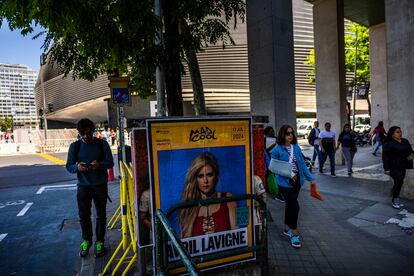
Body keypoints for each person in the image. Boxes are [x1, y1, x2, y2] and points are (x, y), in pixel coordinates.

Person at [66, 118, 114, 258]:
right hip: (83, 187)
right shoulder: (75, 146)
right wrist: (77, 167)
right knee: (84, 216)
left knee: (101, 214)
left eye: (89, 133)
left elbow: (110, 163)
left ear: (93, 131)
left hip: (100, 185)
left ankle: (100, 241)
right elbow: (69, 166)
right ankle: (87, 240)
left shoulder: (102, 144)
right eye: (83, 134)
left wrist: (99, 165)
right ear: (79, 133)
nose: (86, 136)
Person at [270, 125, 316, 248]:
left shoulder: (296, 148)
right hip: (284, 183)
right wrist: (290, 174)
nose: (290, 135)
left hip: (297, 183)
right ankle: (294, 233)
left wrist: (311, 179)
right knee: (295, 207)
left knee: (290, 205)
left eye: (291, 133)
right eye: (287, 133)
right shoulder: (277, 149)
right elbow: (273, 167)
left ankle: (286, 228)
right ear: (282, 135)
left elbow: (302, 165)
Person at [178, 152, 237, 238]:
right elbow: (185, 244)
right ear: (195, 179)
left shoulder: (227, 199)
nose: (205, 181)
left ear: (216, 176)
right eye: (200, 176)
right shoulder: (188, 207)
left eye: (209, 175)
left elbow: (237, 236)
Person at [382, 126, 414, 209]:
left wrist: (409, 159)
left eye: (400, 131)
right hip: (392, 166)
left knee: (399, 182)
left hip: (402, 166)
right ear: (392, 134)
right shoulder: (388, 143)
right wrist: (386, 169)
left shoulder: (405, 141)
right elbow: (385, 157)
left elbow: (411, 152)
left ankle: (395, 194)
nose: (400, 133)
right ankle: (394, 199)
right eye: (397, 132)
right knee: (399, 180)